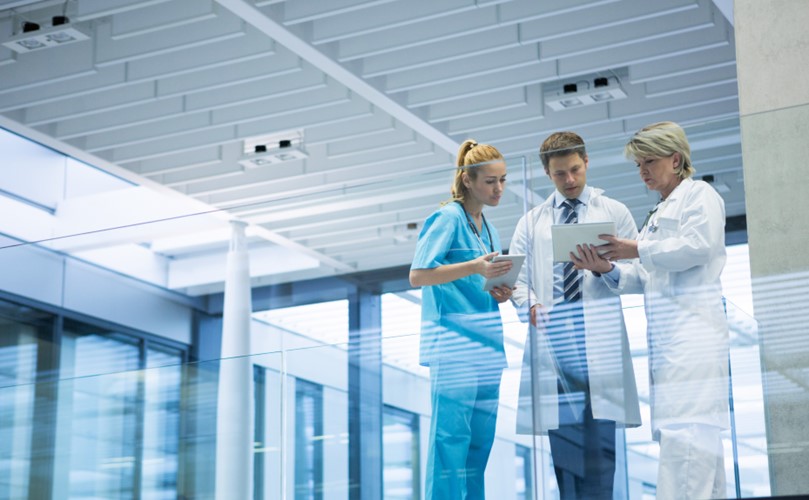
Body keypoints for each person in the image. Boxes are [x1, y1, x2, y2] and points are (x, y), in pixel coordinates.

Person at [572, 121, 730, 499]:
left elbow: (698, 247)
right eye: (638, 164)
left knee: (686, 438)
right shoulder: (658, 213)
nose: (642, 171)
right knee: (691, 445)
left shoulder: (699, 195)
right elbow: (645, 277)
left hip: (694, 336)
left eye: (650, 162)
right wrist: (607, 268)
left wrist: (637, 249)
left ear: (676, 160)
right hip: (669, 339)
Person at [510, 131, 641, 500]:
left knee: (601, 455)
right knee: (565, 456)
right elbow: (519, 281)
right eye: (559, 174)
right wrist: (532, 304)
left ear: (586, 162)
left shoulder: (613, 212)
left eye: (575, 170)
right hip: (556, 344)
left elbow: (641, 274)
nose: (569, 180)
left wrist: (605, 269)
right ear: (546, 174)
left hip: (597, 344)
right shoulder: (531, 222)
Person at [409, 139, 513, 500]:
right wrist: (474, 266)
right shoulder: (447, 218)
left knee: (479, 445)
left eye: (502, 180)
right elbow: (419, 274)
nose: (498, 188)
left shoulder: (489, 227)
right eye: (490, 181)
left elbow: (479, 281)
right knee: (450, 440)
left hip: (487, 346)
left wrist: (499, 288)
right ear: (468, 180)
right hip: (453, 347)